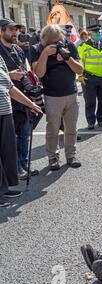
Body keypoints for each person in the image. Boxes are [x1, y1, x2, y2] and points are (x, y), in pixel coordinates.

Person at [31, 24, 83, 171]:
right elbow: (39, 73)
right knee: (53, 129)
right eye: (53, 42)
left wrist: (67, 58)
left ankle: (71, 156)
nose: (57, 44)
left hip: (71, 93)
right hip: (52, 96)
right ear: (45, 41)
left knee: (71, 128)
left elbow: (80, 69)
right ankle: (53, 159)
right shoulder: (37, 49)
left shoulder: (69, 46)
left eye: (59, 41)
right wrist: (45, 55)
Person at [0, 18, 39, 180]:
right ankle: (15, 169)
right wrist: (10, 75)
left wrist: (32, 78)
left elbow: (25, 68)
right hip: (7, 101)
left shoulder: (17, 49)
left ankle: (23, 164)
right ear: (1, 31)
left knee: (25, 134)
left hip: (23, 97)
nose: (15, 33)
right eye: (11, 29)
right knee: (12, 138)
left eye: (16, 29)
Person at [0, 55, 42, 206]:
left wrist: (31, 104)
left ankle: (3, 189)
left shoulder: (0, 59)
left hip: (5, 112)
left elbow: (10, 88)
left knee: (6, 153)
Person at [77, 24, 102, 129]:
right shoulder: (84, 46)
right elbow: (79, 61)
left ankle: (101, 119)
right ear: (90, 34)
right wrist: (80, 75)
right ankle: (91, 121)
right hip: (89, 78)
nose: (99, 34)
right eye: (96, 33)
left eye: (99, 32)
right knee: (90, 101)